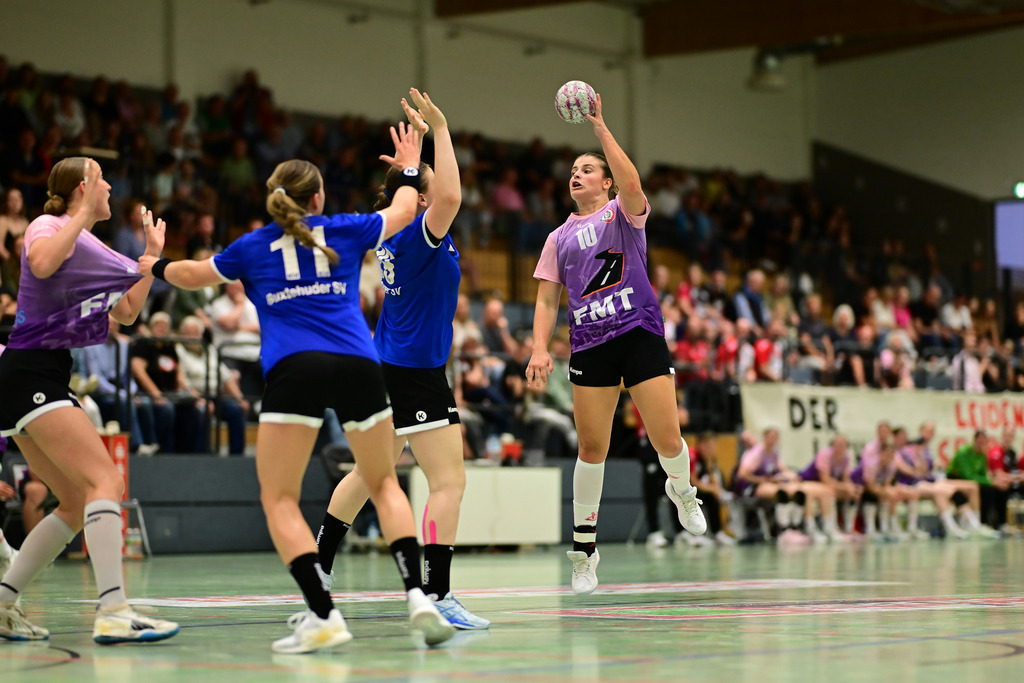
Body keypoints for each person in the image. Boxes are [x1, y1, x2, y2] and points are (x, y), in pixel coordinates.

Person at [140, 120, 455, 653]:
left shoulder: (251, 247)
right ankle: (419, 598)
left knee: (279, 498)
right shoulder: (345, 228)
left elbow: (193, 276)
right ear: (318, 196)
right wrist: (407, 163)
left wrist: (155, 262)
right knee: (384, 484)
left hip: (294, 368)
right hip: (359, 362)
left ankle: (323, 613)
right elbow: (405, 210)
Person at [313, 90, 487, 630]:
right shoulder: (419, 231)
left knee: (370, 474)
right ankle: (438, 594)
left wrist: (408, 175)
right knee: (448, 481)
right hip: (413, 370)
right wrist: (440, 128)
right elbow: (453, 197)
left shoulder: (397, 226)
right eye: (429, 175)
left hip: (390, 361)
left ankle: (318, 567)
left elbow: (430, 195)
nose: (439, 176)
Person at [525, 92, 706, 596]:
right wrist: (541, 348)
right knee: (592, 448)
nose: (577, 175)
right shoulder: (557, 238)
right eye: (574, 170)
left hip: (639, 333)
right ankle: (585, 552)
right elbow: (545, 300)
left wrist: (600, 128)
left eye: (588, 169)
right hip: (590, 345)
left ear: (604, 182)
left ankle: (684, 493)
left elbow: (632, 182)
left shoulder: (624, 215)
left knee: (668, 441)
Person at [0, 158, 178, 643]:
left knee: (78, 500)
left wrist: (149, 258)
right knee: (106, 479)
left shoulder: (92, 245)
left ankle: (2, 602)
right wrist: (77, 217)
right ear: (84, 187)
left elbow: (126, 311)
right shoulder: (50, 225)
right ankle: (114, 610)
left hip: (40, 375)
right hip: (29, 370)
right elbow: (39, 262)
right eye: (103, 179)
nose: (111, 188)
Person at [798, 433, 861, 536]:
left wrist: (851, 488)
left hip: (827, 485)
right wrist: (844, 487)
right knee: (829, 492)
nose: (839, 447)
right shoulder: (824, 454)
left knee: (852, 494)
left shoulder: (846, 458)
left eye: (842, 445)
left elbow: (845, 478)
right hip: (810, 481)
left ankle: (849, 528)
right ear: (832, 445)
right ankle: (830, 526)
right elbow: (825, 479)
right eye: (837, 444)